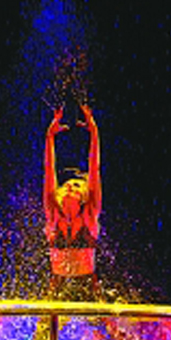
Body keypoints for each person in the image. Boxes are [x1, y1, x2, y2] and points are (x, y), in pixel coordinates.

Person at [43, 103, 101, 301]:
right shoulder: (52, 214)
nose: (69, 186)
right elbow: (48, 169)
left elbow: (94, 169)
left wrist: (94, 133)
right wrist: (50, 137)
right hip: (57, 286)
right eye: (66, 184)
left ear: (84, 196)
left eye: (76, 185)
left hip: (88, 287)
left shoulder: (89, 215)